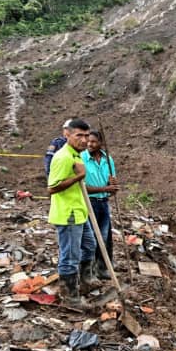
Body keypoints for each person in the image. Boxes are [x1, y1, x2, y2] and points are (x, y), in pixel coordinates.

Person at [47, 118, 98, 305]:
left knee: (90, 246)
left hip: (79, 212)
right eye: (79, 136)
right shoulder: (63, 157)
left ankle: (85, 281)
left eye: (86, 136)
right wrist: (79, 176)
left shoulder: (77, 155)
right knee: (70, 256)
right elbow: (52, 188)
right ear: (66, 134)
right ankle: (70, 296)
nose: (84, 140)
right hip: (68, 215)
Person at [81, 130, 118, 280]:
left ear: (101, 143)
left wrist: (113, 187)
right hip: (89, 203)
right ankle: (89, 272)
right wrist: (105, 188)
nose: (90, 144)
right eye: (88, 141)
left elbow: (111, 184)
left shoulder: (107, 160)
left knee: (105, 237)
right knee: (91, 239)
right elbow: (81, 186)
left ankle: (103, 269)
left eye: (94, 141)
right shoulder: (82, 158)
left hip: (103, 203)